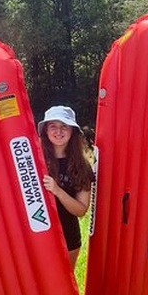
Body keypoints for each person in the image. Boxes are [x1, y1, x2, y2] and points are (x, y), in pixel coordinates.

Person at [37, 105, 93, 269]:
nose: (58, 131)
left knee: (64, 287)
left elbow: (81, 210)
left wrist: (57, 191)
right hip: (37, 235)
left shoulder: (81, 167)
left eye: (64, 126)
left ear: (72, 131)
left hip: (68, 237)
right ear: (45, 131)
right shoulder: (33, 161)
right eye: (53, 126)